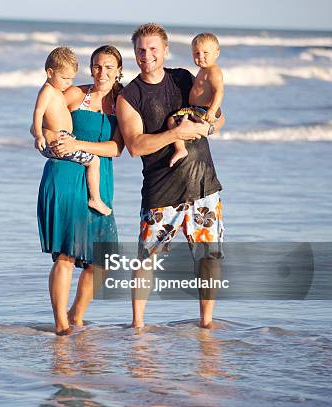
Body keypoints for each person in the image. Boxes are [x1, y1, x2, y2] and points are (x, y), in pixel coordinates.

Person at [117, 23, 225, 329]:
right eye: (140, 50)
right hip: (161, 191)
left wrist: (209, 126)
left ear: (165, 50)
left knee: (209, 258)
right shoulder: (130, 96)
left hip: (203, 184)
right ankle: (138, 326)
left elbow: (215, 114)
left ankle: (206, 324)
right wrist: (176, 133)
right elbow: (136, 146)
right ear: (135, 53)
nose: (146, 55)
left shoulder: (182, 78)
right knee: (145, 260)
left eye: (153, 49)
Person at [37, 45, 125, 336]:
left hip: (99, 178)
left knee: (102, 259)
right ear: (91, 69)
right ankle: (61, 324)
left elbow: (116, 148)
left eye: (109, 67)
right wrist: (49, 137)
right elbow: (41, 119)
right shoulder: (75, 93)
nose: (102, 72)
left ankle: (77, 314)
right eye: (97, 66)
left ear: (118, 71)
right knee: (66, 254)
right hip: (65, 176)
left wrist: (78, 144)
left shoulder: (122, 102)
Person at [32, 47, 112, 216]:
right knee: (93, 161)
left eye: (71, 79)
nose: (69, 83)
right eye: (65, 79)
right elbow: (37, 115)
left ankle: (95, 198)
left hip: (66, 142)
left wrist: (73, 142)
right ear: (50, 72)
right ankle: (95, 198)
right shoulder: (49, 91)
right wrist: (42, 135)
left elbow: (117, 148)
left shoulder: (58, 91)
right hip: (58, 146)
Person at [168, 32, 224, 167]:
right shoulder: (203, 70)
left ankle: (181, 149)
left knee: (174, 120)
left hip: (204, 110)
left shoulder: (213, 71)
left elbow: (219, 92)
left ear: (216, 53)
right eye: (196, 54)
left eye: (206, 53)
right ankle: (182, 148)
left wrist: (212, 110)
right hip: (196, 109)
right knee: (173, 120)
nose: (201, 57)